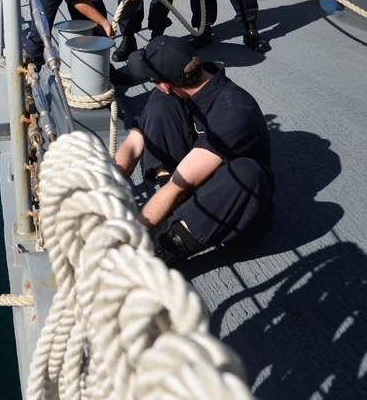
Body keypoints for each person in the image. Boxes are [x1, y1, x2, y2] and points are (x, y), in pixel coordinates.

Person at [114, 35, 273, 265]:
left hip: (230, 207)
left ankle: (165, 246)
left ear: (165, 83)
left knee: (247, 172)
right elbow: (132, 145)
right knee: (160, 106)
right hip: (188, 182)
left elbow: (181, 185)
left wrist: (126, 241)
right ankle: (172, 211)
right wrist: (104, 190)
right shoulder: (170, 90)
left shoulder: (235, 110)